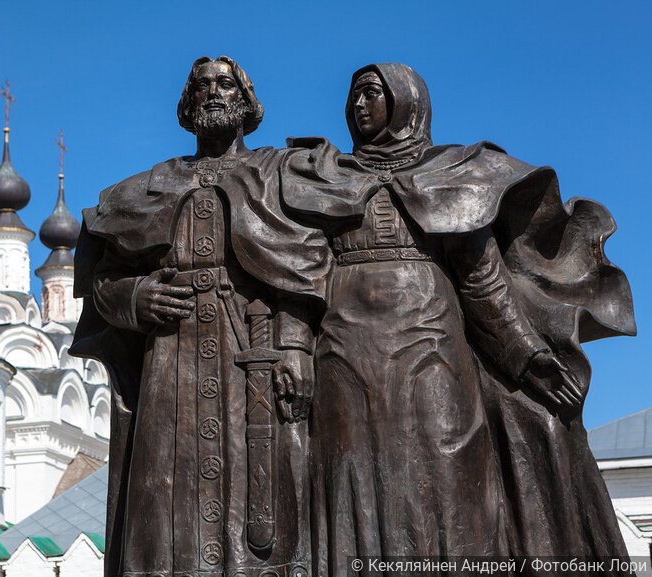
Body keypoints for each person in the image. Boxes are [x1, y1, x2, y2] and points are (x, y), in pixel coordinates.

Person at [279, 63, 635, 575]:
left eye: (371, 94)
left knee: (447, 476)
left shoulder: (452, 175)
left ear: (405, 102)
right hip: (345, 353)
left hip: (432, 352)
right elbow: (297, 276)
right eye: (353, 97)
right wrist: (293, 343)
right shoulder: (324, 178)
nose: (357, 107)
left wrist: (526, 355)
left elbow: (481, 280)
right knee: (349, 478)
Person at [70, 56, 330, 577]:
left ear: (246, 100)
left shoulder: (277, 173)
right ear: (188, 103)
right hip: (172, 354)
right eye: (203, 85)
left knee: (265, 495)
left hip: (254, 355)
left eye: (226, 83)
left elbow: (305, 263)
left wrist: (297, 346)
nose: (214, 92)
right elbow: (103, 279)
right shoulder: (148, 186)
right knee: (165, 489)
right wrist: (136, 296)